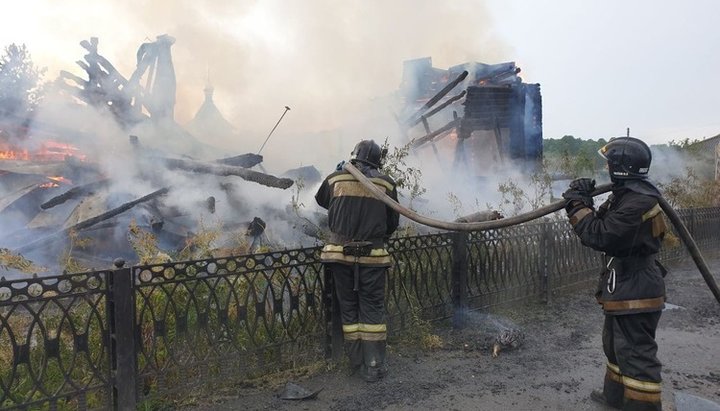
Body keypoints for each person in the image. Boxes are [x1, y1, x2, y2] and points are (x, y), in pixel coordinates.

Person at [563, 137, 667, 411]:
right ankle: (615, 398)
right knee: (615, 346)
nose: (605, 167)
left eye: (609, 163)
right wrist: (584, 199)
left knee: (635, 354)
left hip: (636, 288)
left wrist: (576, 205)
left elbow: (599, 235)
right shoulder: (628, 195)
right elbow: (603, 221)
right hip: (625, 284)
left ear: (620, 168)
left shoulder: (638, 203)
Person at [315, 139, 400, 382]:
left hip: (339, 255)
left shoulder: (334, 178)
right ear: (377, 161)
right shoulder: (386, 183)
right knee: (371, 308)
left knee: (348, 307)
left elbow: (322, 201)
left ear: (354, 156)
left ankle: (355, 361)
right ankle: (373, 365)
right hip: (372, 257)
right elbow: (392, 222)